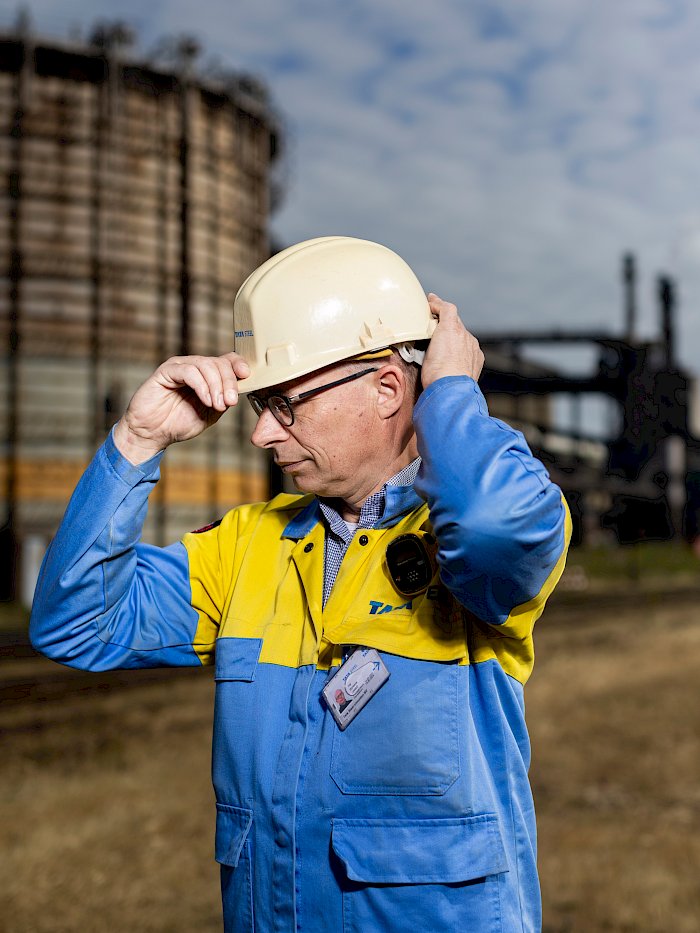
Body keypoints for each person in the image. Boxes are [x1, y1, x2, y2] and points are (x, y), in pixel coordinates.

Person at [30, 236, 571, 933]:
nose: (260, 433)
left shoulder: (469, 550)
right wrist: (136, 440)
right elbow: (75, 623)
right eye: (260, 402)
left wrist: (451, 392)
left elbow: (495, 521)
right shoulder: (249, 544)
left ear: (386, 389)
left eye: (284, 403)